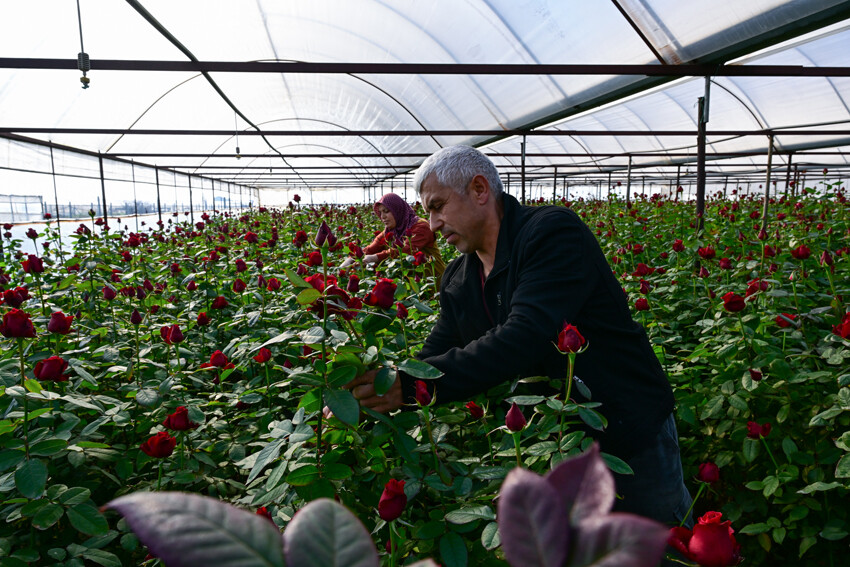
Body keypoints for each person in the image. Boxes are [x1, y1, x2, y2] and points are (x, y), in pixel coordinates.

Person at [344, 145, 692, 527]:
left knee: (662, 539)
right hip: (553, 443)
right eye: (428, 210)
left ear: (479, 190)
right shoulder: (460, 278)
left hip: (627, 428)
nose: (434, 223)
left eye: (438, 205)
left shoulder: (551, 233)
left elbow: (525, 336)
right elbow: (435, 355)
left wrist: (407, 385)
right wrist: (380, 384)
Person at [340, 193, 445, 286]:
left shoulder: (421, 227)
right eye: (380, 212)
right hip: (411, 286)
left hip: (434, 283)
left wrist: (375, 258)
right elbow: (371, 248)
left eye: (386, 211)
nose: (383, 217)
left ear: (398, 210)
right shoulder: (390, 231)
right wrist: (350, 259)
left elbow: (405, 250)